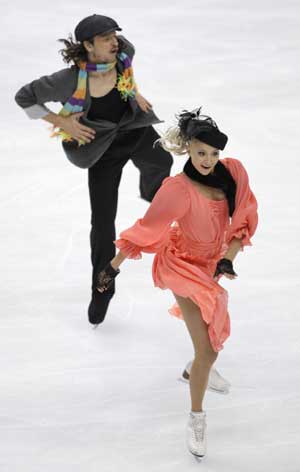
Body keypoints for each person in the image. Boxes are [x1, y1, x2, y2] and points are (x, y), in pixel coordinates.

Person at [96, 108, 258, 458]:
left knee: (209, 330)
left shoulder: (232, 173)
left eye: (214, 154)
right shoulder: (177, 189)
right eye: (201, 153)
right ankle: (196, 418)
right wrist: (113, 266)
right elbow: (146, 229)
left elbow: (242, 219)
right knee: (209, 348)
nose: (208, 160)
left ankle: (194, 370)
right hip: (181, 266)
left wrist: (229, 258)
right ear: (188, 149)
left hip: (211, 264)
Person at [14, 14, 173, 325]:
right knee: (102, 227)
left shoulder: (123, 53)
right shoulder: (69, 81)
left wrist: (132, 91)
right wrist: (61, 121)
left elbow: (126, 63)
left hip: (134, 130)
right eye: (105, 39)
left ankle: (154, 198)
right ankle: (102, 290)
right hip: (101, 150)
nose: (114, 42)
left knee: (161, 160)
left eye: (114, 35)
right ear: (87, 46)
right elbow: (25, 96)